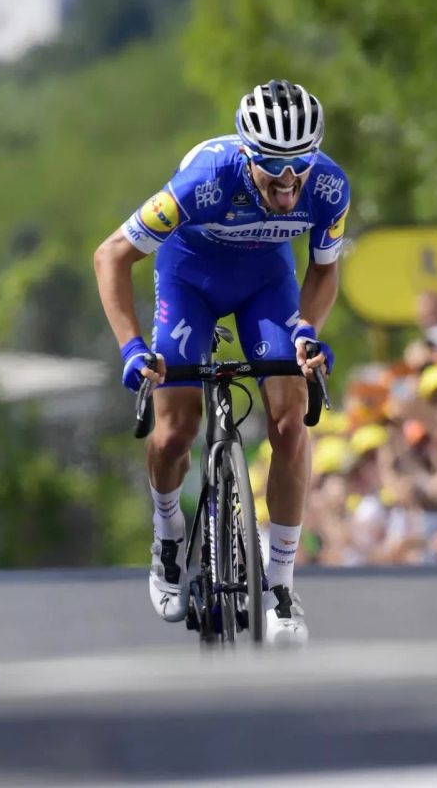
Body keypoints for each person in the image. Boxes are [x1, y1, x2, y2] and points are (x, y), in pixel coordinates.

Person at [93, 80, 347, 645]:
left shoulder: (328, 186)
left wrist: (308, 329)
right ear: (246, 151)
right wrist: (133, 346)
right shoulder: (204, 183)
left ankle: (279, 583)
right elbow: (111, 255)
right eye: (272, 164)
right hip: (190, 281)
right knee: (175, 429)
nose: (287, 178)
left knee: (290, 418)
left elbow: (325, 268)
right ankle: (166, 535)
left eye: (298, 163)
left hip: (265, 283)